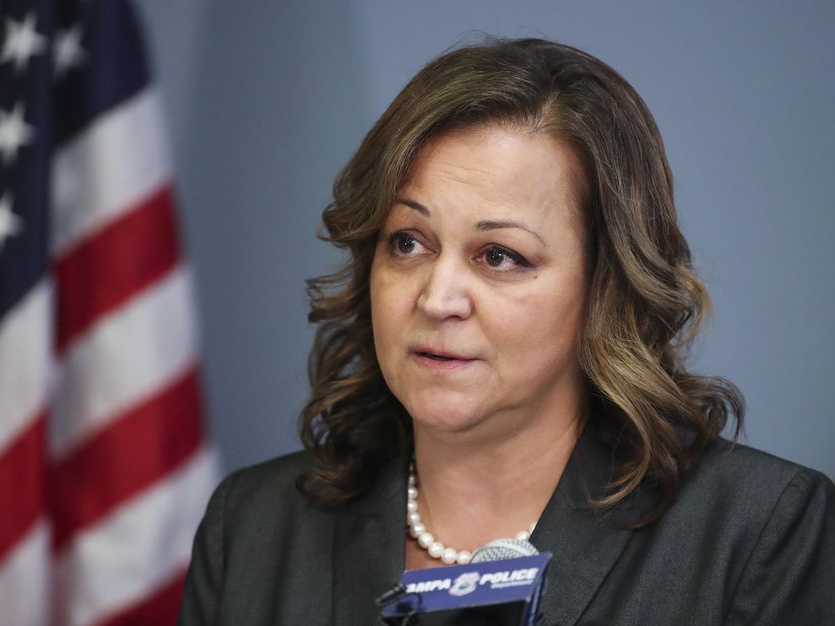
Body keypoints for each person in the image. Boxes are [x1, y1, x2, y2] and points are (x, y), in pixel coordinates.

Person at [178, 38, 834, 625]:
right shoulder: (253, 526)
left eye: (500, 256)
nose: (437, 298)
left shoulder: (757, 532)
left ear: (604, 287)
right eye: (408, 242)